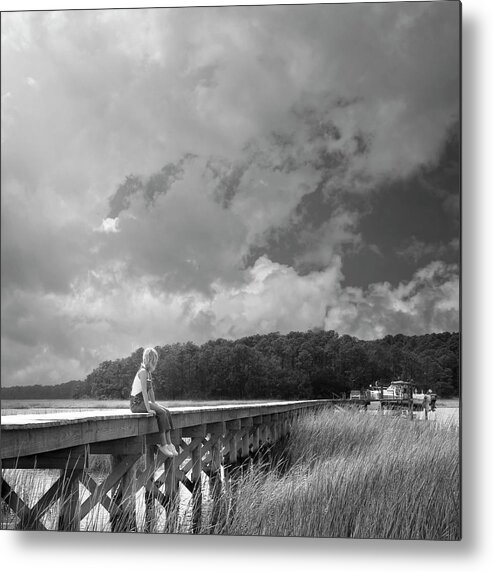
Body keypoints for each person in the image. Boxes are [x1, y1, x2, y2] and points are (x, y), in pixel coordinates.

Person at [129, 347, 178, 457]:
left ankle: (169, 443)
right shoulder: (142, 372)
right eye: (153, 362)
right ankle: (163, 444)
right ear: (148, 360)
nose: (154, 365)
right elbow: (144, 393)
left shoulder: (148, 373)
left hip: (142, 401)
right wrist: (149, 408)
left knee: (167, 411)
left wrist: (155, 404)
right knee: (162, 413)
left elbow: (150, 390)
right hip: (136, 403)